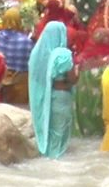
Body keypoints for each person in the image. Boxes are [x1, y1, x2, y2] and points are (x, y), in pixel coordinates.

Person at [30, 22, 75, 159]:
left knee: (48, 132)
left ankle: (46, 161)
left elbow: (37, 78)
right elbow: (72, 79)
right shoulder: (63, 55)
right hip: (61, 96)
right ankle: (56, 165)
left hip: (43, 97)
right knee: (59, 133)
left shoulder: (36, 53)